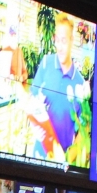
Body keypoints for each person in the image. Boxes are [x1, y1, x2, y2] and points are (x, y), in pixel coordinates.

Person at [28, 14, 83, 158]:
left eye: (63, 41)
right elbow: (31, 101)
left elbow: (82, 131)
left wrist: (70, 158)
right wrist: (34, 127)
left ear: (72, 40)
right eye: (57, 40)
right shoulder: (46, 64)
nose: (59, 47)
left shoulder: (80, 84)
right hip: (38, 157)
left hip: (61, 162)